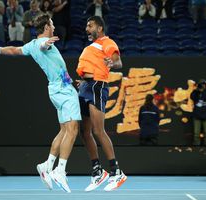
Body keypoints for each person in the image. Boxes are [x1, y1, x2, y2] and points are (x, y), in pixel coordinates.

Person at [0, 14, 81, 193]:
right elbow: (43, 45)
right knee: (73, 129)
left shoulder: (30, 45)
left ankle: (47, 165)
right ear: (46, 27)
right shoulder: (42, 44)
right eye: (51, 23)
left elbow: (13, 50)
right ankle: (60, 170)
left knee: (64, 130)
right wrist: (46, 43)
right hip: (64, 91)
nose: (53, 25)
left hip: (57, 89)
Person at [76, 16, 127, 192]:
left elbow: (118, 62)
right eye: (86, 26)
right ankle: (97, 171)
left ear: (100, 27)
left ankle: (116, 171)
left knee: (98, 130)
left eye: (90, 26)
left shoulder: (107, 41)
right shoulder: (90, 47)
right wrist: (82, 81)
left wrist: (112, 62)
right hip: (85, 87)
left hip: (98, 85)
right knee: (84, 131)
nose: (86, 29)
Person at [190, 79, 206, 146]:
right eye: (201, 84)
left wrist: (203, 92)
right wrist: (198, 91)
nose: (202, 86)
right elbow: (192, 97)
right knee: (196, 133)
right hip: (197, 115)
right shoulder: (195, 92)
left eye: (203, 84)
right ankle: (196, 146)